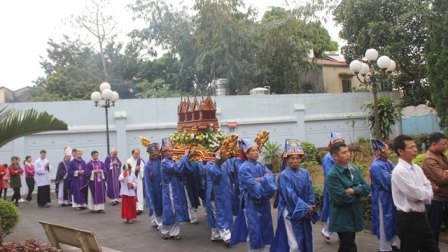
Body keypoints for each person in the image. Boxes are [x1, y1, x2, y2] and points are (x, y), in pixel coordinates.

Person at [391, 134, 439, 252]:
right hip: (409, 219)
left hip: (422, 216)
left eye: (415, 146)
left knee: (432, 248)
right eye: (411, 147)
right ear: (401, 151)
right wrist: (426, 191)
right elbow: (415, 195)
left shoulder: (416, 168)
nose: (415, 149)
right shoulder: (400, 171)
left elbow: (428, 186)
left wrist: (425, 191)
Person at [271, 139, 319, 252]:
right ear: (287, 160)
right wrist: (306, 208)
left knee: (305, 239)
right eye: (292, 158)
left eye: (298, 158)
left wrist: (311, 206)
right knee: (294, 244)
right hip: (290, 212)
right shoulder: (283, 175)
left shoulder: (305, 173)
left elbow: (310, 190)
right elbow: (290, 195)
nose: (295, 161)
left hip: (305, 211)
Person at [230, 139, 277, 252]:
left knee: (264, 227)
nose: (256, 153)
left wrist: (261, 179)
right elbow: (255, 189)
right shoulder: (244, 168)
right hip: (251, 204)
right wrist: (266, 181)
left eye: (257, 150)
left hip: (264, 203)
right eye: (253, 151)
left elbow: (272, 179)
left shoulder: (261, 165)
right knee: (253, 230)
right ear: (246, 153)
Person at [325, 142, 371, 252]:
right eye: (344, 152)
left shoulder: (354, 169)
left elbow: (366, 189)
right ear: (335, 156)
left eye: (348, 151)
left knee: (346, 246)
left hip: (353, 214)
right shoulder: (332, 175)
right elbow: (341, 198)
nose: (348, 154)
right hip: (342, 217)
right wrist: (358, 192)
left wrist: (353, 190)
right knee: (349, 246)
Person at [369, 139, 400, 252]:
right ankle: (385, 247)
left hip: (390, 196)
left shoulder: (388, 162)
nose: (389, 152)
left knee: (393, 219)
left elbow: (397, 175)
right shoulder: (376, 166)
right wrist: (393, 176)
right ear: (381, 152)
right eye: (387, 150)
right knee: (384, 221)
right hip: (382, 198)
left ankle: (393, 242)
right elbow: (388, 181)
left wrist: (393, 176)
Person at [159, 138, 192, 240]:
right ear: (164, 152)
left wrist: (186, 159)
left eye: (172, 150)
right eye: (169, 151)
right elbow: (176, 168)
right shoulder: (165, 162)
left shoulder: (171, 160)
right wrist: (184, 157)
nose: (171, 152)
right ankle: (163, 229)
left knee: (177, 209)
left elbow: (180, 170)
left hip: (175, 188)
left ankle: (175, 232)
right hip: (169, 189)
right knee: (170, 210)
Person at [422, 132, 448, 245]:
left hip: (444, 199)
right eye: (443, 144)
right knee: (433, 231)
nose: (446, 146)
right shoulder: (429, 159)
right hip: (437, 200)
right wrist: (445, 173)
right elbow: (442, 178)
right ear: (434, 144)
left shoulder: (441, 156)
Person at [204, 149, 233, 247]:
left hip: (224, 193)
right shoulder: (210, 164)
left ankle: (215, 235)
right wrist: (217, 160)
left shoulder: (225, 163)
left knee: (218, 214)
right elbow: (214, 173)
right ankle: (226, 236)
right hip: (215, 194)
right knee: (219, 214)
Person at [321, 132, 345, 243]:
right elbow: (329, 174)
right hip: (334, 188)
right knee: (335, 210)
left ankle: (341, 233)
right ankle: (326, 231)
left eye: (341, 141)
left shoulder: (344, 155)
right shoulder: (328, 158)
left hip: (344, 187)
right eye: (336, 142)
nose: (339, 143)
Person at [144, 143, 163, 229]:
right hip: (153, 188)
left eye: (156, 154)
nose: (155, 156)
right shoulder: (147, 165)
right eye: (153, 155)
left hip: (161, 187)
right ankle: (158, 222)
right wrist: (149, 191)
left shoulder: (161, 161)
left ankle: (161, 221)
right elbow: (147, 181)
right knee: (155, 205)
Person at [127, 149, 145, 215]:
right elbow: (127, 170)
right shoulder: (128, 161)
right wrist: (135, 169)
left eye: (138, 154)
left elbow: (143, 169)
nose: (137, 155)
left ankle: (140, 207)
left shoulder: (140, 161)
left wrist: (140, 170)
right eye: (136, 154)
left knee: (139, 193)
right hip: (132, 180)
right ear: (132, 154)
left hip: (139, 179)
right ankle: (134, 207)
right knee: (133, 193)